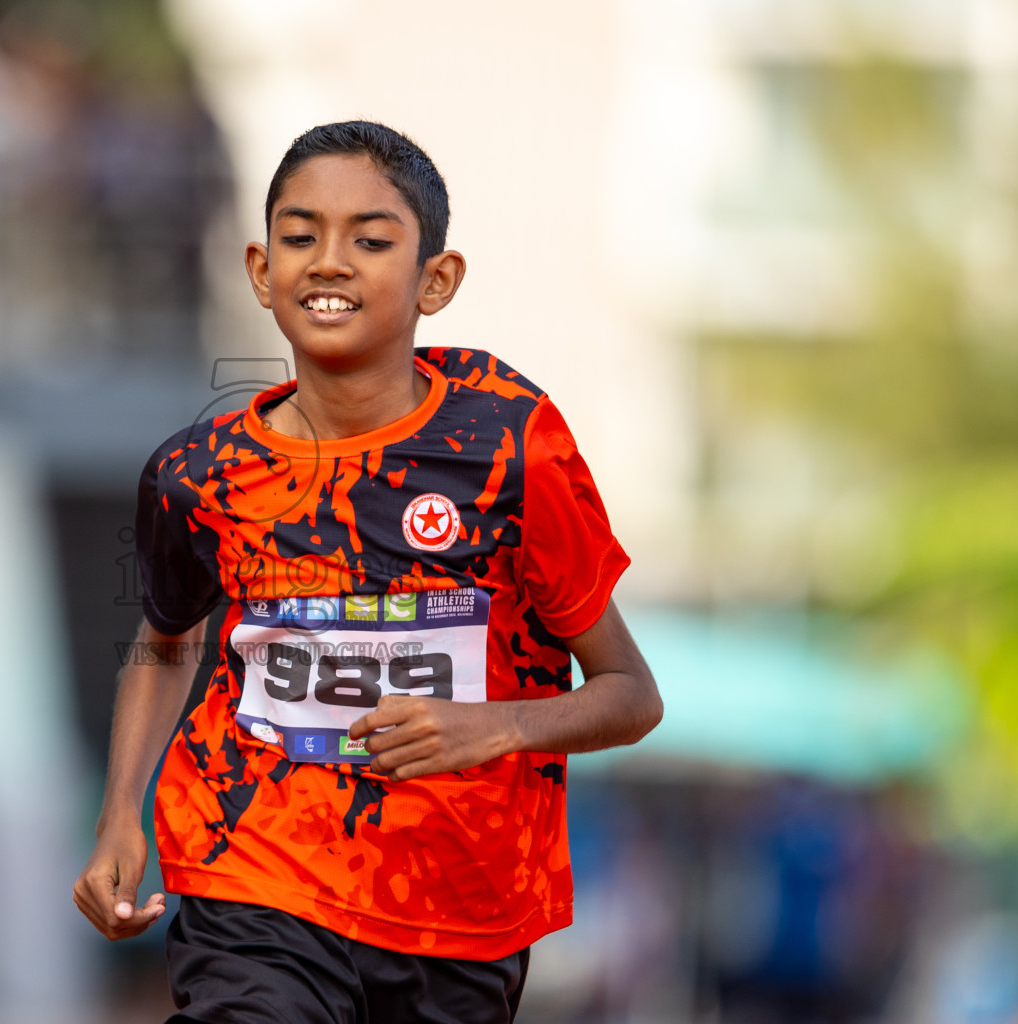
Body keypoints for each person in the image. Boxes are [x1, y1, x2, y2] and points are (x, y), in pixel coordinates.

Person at [73, 120, 663, 1024]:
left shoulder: (509, 445)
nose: (330, 262)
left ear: (438, 279)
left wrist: (494, 727)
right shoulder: (197, 476)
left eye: (372, 240)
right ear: (262, 270)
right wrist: (122, 815)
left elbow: (630, 694)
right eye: (301, 236)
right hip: (255, 883)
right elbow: (166, 636)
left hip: (458, 916)